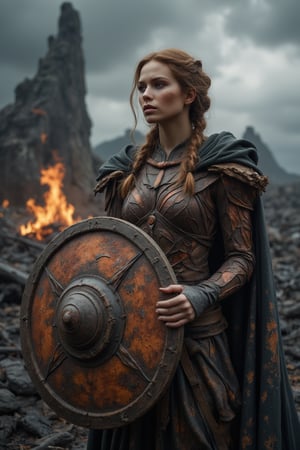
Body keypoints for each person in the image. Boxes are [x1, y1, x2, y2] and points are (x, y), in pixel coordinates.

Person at [87, 49, 300, 449]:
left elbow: (242, 258)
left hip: (197, 342)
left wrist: (201, 295)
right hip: (129, 340)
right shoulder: (124, 171)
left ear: (188, 95)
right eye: (141, 87)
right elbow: (109, 249)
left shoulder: (221, 165)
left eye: (158, 84)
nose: (146, 95)